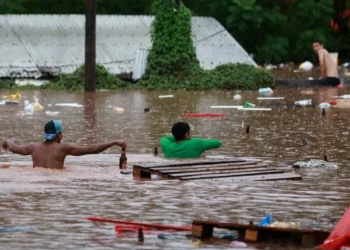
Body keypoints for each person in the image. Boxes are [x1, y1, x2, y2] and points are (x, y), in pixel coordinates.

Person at [2, 120, 126, 169]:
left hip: (37, 178)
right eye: (61, 133)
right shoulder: (63, 148)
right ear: (57, 135)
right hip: (57, 182)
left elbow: (14, 148)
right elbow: (91, 149)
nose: (62, 136)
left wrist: (7, 142)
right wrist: (114, 142)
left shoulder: (33, 147)